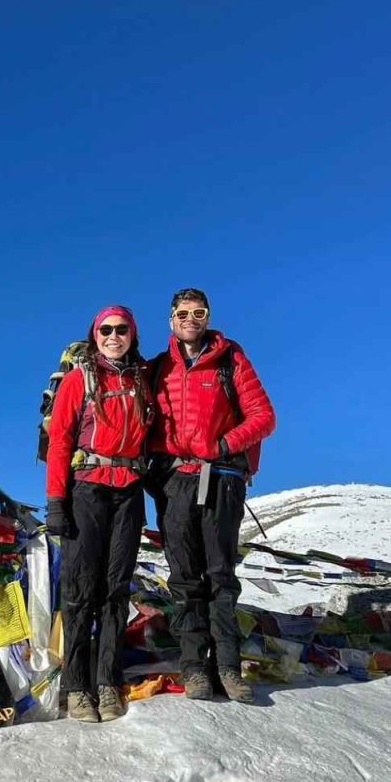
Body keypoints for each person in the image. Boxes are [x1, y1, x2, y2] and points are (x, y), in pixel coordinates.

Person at [148, 288, 276, 702]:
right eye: (183, 313)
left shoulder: (230, 358)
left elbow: (263, 416)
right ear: (171, 319)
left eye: (198, 312)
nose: (190, 319)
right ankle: (194, 668)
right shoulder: (157, 367)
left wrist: (222, 446)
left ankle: (228, 668)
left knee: (220, 576)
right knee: (184, 577)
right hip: (175, 481)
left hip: (220, 477)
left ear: (208, 317)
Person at [45, 305, 153, 723]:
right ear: (95, 335)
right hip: (86, 490)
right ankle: (76, 687)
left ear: (132, 334)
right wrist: (56, 500)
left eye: (121, 329)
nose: (113, 336)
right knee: (79, 589)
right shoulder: (79, 379)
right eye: (105, 329)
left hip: (129, 492)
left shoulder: (142, 381)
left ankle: (108, 682)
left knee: (116, 589)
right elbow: (60, 441)